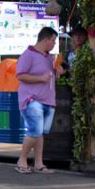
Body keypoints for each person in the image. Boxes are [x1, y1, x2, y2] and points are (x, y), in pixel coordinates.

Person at [15, 27, 63, 174]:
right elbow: (20, 75)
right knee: (35, 130)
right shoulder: (28, 54)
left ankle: (38, 163)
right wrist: (40, 79)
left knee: (40, 132)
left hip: (48, 100)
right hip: (31, 99)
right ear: (45, 39)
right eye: (53, 41)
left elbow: (49, 76)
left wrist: (57, 73)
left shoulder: (49, 58)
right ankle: (21, 160)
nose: (54, 44)